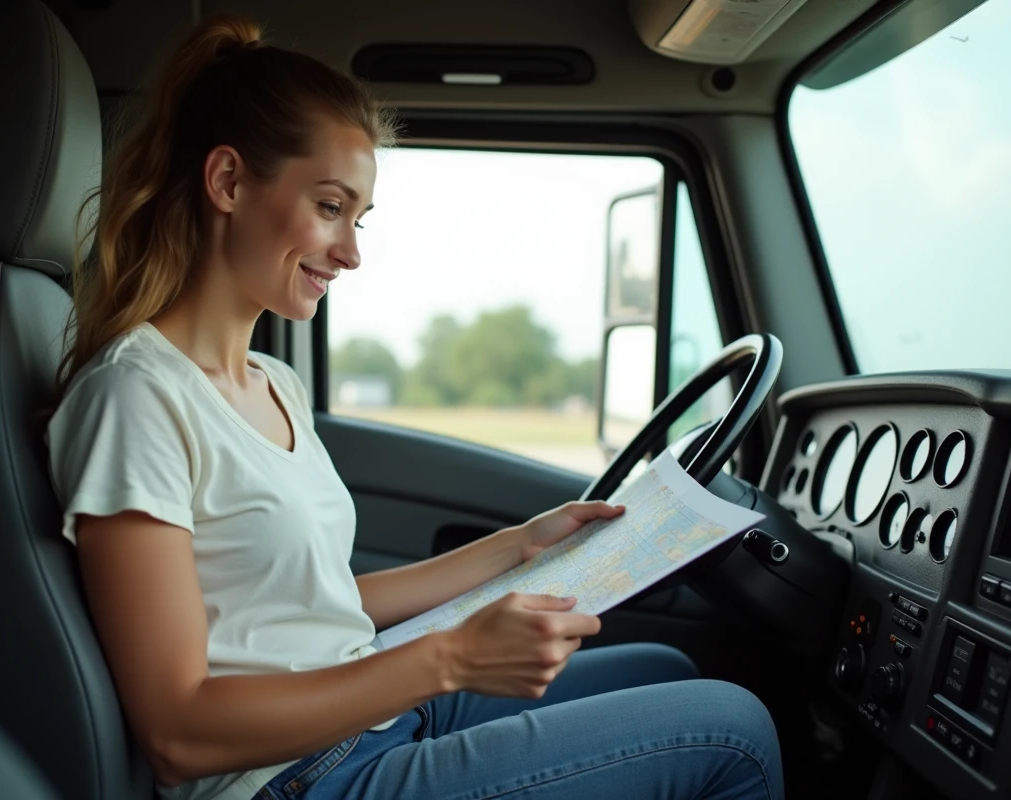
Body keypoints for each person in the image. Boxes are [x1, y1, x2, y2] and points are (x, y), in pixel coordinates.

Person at [47, 13, 784, 800]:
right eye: (330, 207)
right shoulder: (136, 397)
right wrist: (451, 658)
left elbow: (314, 602)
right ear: (227, 182)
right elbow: (179, 730)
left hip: (356, 717)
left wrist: (521, 544)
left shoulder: (271, 380)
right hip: (290, 777)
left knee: (663, 667)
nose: (351, 252)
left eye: (357, 219)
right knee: (730, 732)